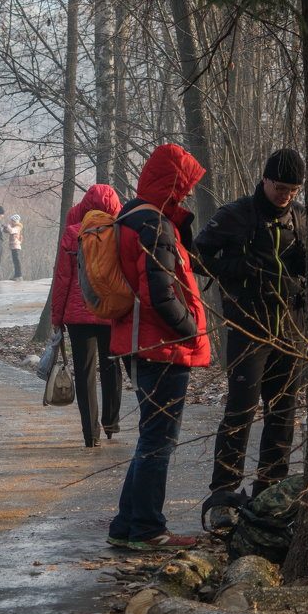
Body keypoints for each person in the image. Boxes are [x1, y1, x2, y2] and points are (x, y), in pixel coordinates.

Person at [195, 148, 308, 536]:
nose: (286, 195)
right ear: (264, 180)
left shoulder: (302, 219)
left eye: (293, 190)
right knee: (240, 412)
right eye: (280, 187)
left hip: (290, 331)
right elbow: (196, 257)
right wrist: (241, 269)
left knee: (282, 414)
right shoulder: (234, 215)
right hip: (247, 330)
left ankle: (271, 493)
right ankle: (223, 496)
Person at [106, 144, 212, 552]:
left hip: (140, 343)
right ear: (171, 183)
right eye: (183, 187)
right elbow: (160, 292)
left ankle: (126, 524)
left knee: (151, 437)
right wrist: (190, 331)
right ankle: (148, 528)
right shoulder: (153, 224)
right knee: (158, 441)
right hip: (161, 346)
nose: (185, 195)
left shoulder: (133, 217)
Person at [52, 184, 124, 448]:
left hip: (78, 314)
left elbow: (62, 279)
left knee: (84, 373)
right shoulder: (122, 232)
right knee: (111, 366)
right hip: (112, 311)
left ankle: (89, 433)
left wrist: (57, 317)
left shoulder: (73, 233)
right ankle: (111, 423)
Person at [4, 214, 24, 280]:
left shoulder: (18, 227)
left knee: (17, 261)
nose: (11, 222)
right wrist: (4, 227)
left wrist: (8, 226)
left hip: (16, 246)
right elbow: (8, 231)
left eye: (12, 221)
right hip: (13, 246)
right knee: (15, 261)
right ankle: (16, 275)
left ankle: (19, 275)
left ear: (15, 221)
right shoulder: (14, 227)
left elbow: (11, 231)